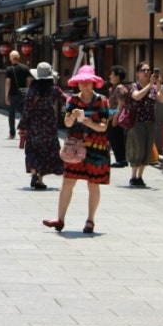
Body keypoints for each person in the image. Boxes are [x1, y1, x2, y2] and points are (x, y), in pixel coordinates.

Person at [43, 65, 110, 234]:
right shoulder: (72, 101)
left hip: (96, 146)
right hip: (75, 146)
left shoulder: (102, 100)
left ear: (93, 83)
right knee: (68, 181)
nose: (85, 86)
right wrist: (72, 116)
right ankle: (60, 219)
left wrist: (90, 123)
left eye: (88, 83)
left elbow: (103, 127)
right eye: (82, 83)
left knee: (93, 184)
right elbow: (66, 123)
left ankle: (90, 220)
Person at [17, 62, 66, 189]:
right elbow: (66, 100)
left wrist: (22, 125)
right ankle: (40, 179)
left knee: (33, 150)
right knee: (47, 151)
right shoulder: (54, 89)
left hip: (34, 123)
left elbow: (27, 108)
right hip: (49, 124)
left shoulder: (32, 89)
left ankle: (34, 173)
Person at [126, 62, 163, 187]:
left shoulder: (153, 88)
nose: (146, 72)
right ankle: (133, 176)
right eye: (143, 70)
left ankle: (140, 176)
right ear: (137, 73)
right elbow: (137, 96)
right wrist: (150, 85)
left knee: (147, 149)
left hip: (150, 121)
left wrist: (158, 86)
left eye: (148, 70)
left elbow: (162, 100)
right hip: (137, 122)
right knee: (137, 148)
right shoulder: (134, 86)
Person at [4, 50, 32, 139]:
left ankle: (12, 133)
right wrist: (28, 92)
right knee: (24, 113)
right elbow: (29, 81)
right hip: (23, 93)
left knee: (11, 114)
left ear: (10, 58)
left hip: (12, 94)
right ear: (19, 57)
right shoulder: (25, 68)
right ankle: (25, 130)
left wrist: (6, 96)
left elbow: (8, 83)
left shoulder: (9, 69)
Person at [107, 65, 129, 168]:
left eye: (112, 74)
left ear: (118, 76)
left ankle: (121, 160)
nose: (110, 76)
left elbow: (121, 104)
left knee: (116, 139)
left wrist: (115, 117)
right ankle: (121, 159)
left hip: (116, 118)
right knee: (115, 138)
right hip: (112, 116)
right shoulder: (115, 87)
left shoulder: (119, 87)